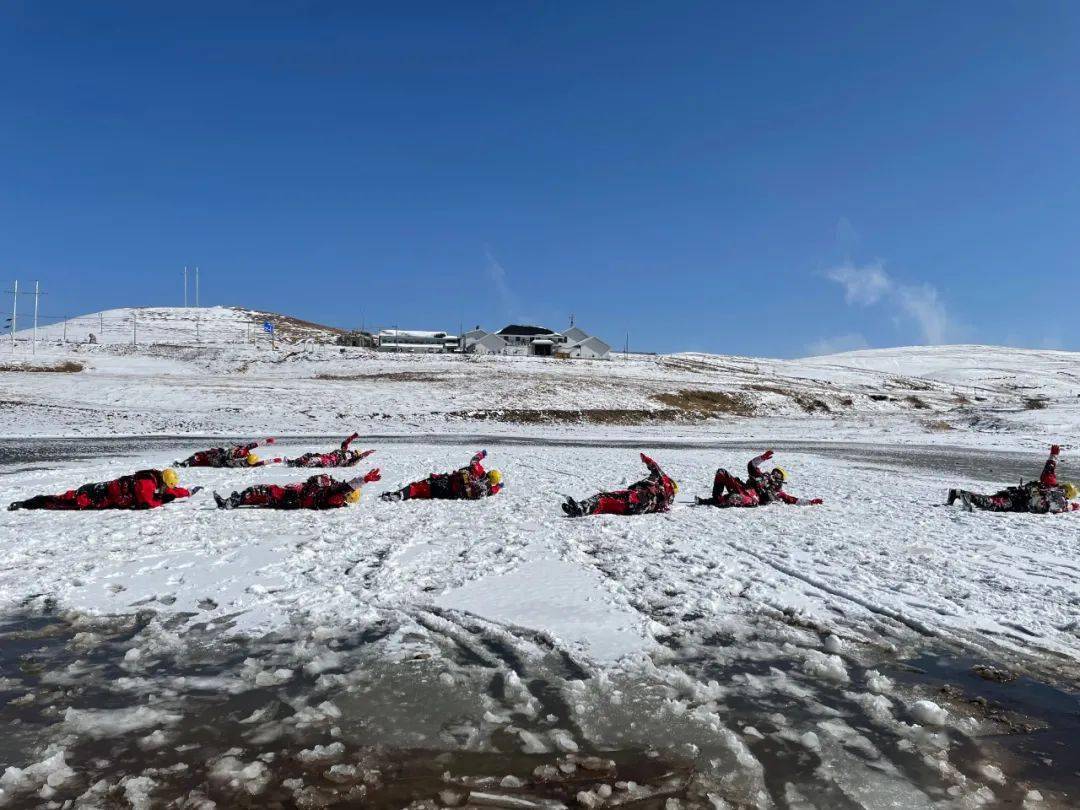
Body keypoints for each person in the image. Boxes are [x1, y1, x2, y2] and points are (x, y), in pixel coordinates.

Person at [948, 445, 1080, 514]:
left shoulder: (1052, 484)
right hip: (1019, 503)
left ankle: (958, 493)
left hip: (1017, 493)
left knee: (991, 500)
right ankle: (966, 495)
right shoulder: (1062, 503)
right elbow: (1066, 508)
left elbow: (1049, 469)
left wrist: (1054, 455)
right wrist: (1075, 507)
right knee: (992, 504)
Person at [8, 468, 198, 511]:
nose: (167, 489)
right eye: (168, 486)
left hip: (102, 490)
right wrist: (162, 501)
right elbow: (146, 503)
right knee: (66, 501)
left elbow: (170, 491)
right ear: (163, 481)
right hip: (96, 495)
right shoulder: (146, 485)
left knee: (68, 499)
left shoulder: (156, 479)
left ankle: (30, 502)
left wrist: (187, 492)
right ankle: (28, 503)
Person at [695, 449, 823, 508]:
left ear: (780, 480)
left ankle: (727, 500)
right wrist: (762, 458)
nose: (774, 475)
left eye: (778, 475)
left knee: (740, 498)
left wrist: (810, 502)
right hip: (741, 488)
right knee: (721, 472)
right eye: (774, 472)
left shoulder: (777, 492)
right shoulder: (761, 476)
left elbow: (793, 500)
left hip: (752, 499)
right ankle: (716, 498)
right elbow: (752, 465)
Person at [562, 453, 676, 517]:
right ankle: (579, 508)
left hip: (634, 498)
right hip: (636, 508)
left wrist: (646, 459)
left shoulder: (664, 481)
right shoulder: (667, 499)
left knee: (602, 498)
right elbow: (662, 509)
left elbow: (655, 468)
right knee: (606, 504)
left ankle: (580, 508)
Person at [213, 468, 381, 510]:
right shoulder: (334, 492)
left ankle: (230, 502)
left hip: (291, 498)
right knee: (259, 490)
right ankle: (237, 499)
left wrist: (363, 480)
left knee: (261, 491)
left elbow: (345, 487)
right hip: (291, 493)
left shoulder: (336, 498)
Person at [381, 451, 502, 502]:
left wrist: (482, 454)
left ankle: (399, 495)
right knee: (423, 493)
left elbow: (474, 460)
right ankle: (400, 495)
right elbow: (495, 490)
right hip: (450, 495)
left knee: (417, 487)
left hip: (445, 483)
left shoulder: (478, 470)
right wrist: (500, 486)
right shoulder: (488, 490)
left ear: (489, 473)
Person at [284, 433, 375, 468]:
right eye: (354, 451)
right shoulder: (344, 451)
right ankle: (292, 462)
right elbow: (345, 443)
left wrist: (366, 453)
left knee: (314, 460)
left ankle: (300, 465)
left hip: (331, 461)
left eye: (355, 453)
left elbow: (359, 458)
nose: (353, 452)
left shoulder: (351, 461)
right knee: (308, 455)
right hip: (325, 456)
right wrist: (353, 437)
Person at [175, 439, 280, 468]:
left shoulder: (246, 458)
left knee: (200, 457)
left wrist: (273, 460)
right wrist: (273, 460)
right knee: (201, 456)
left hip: (219, 459)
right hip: (220, 455)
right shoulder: (246, 455)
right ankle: (186, 463)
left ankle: (184, 464)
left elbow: (260, 462)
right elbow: (255, 445)